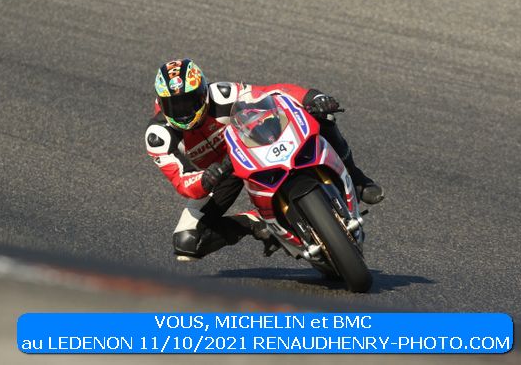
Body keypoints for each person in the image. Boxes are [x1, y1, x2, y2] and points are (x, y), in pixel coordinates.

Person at [145, 58, 384, 261]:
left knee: (323, 115)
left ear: (203, 92)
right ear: (161, 103)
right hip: (217, 175)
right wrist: (206, 178)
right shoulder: (158, 136)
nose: (183, 111)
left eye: (189, 101)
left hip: (252, 147)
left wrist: (311, 97)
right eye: (174, 105)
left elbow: (271, 92)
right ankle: (255, 222)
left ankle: (357, 179)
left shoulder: (222, 94)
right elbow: (182, 181)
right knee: (187, 242)